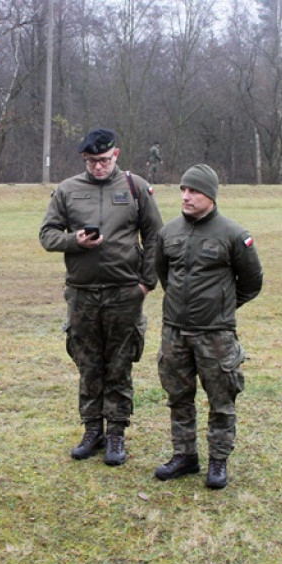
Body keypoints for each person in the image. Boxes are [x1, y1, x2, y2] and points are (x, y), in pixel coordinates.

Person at [40, 128, 163, 466]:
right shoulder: (67, 191)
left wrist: (146, 283)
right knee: (89, 364)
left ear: (116, 155)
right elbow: (47, 235)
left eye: (105, 160)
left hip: (125, 292)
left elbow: (155, 234)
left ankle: (116, 434)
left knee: (120, 364)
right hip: (82, 295)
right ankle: (92, 429)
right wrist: (74, 241)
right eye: (93, 161)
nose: (99, 167)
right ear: (84, 159)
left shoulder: (134, 187)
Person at [152, 165, 262, 490]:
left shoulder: (233, 235)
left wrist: (223, 307)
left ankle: (218, 461)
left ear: (210, 195)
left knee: (221, 399)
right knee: (178, 396)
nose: (186, 196)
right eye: (183, 190)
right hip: (174, 332)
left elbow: (252, 282)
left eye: (194, 191)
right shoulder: (168, 232)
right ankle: (184, 455)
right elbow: (163, 275)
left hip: (216, 334)